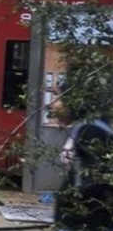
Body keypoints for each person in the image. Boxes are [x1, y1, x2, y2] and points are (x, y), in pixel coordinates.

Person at [51, 98, 113, 230]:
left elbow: (92, 174)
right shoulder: (91, 126)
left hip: (86, 210)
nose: (54, 104)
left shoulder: (89, 129)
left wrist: (76, 197)